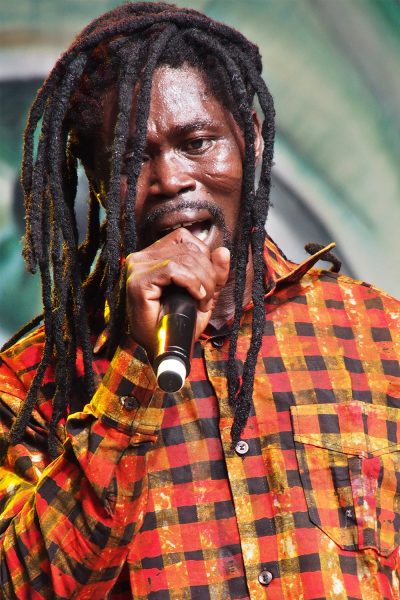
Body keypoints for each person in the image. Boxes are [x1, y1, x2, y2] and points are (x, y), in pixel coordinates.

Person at [0, 2, 399, 598]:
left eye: (197, 141)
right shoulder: (27, 383)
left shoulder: (377, 333)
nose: (170, 179)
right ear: (95, 177)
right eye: (132, 156)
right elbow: (22, 584)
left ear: (250, 139)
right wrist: (135, 368)